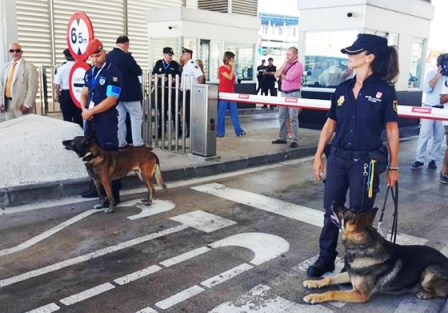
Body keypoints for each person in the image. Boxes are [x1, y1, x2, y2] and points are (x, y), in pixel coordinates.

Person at [307, 34, 400, 277]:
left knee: (360, 217)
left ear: (369, 57)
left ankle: (356, 264)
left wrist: (393, 167)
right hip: (337, 159)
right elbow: (330, 124)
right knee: (331, 211)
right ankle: (326, 258)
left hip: (365, 163)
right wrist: (318, 156)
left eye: (354, 53)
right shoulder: (343, 88)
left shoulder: (384, 92)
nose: (349, 56)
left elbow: (392, 130)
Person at [79, 38, 122, 206]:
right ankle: (95, 189)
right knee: (90, 154)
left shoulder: (113, 73)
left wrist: (91, 111)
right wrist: (84, 109)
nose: (95, 59)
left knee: (109, 155)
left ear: (104, 52)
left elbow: (111, 100)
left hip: (105, 119)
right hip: (90, 119)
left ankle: (114, 194)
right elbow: (84, 92)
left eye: (97, 55)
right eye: (92, 57)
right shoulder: (90, 72)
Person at [107, 35, 144, 149]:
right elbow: (138, 71)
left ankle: (120, 142)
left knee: (120, 118)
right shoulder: (126, 57)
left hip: (115, 93)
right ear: (126, 44)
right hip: (130, 94)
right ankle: (138, 142)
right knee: (136, 116)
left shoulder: (108, 56)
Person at [410, 54, 446, 170]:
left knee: (439, 136)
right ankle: (419, 159)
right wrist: (438, 76)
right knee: (424, 133)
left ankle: (432, 159)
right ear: (439, 64)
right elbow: (426, 89)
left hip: (443, 109)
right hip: (429, 108)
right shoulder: (430, 74)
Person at [272, 47, 303, 149]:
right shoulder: (287, 65)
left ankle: (295, 139)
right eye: (287, 54)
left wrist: (283, 75)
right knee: (282, 116)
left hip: (293, 94)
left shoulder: (299, 65)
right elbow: (276, 74)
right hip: (284, 94)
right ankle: (282, 137)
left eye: (289, 55)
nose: (287, 57)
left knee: (293, 118)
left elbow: (290, 77)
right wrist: (284, 64)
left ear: (295, 55)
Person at [0, 42, 38, 120]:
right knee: (11, 130)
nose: (15, 53)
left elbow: (33, 87)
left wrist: (27, 104)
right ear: (9, 52)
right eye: (12, 51)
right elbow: (2, 86)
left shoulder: (29, 67)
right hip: (7, 106)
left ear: (21, 52)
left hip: (21, 107)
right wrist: (1, 102)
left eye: (17, 51)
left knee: (24, 130)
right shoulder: (6, 67)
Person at [152, 47, 181, 138]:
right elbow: (153, 75)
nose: (170, 57)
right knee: (162, 112)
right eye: (169, 55)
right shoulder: (159, 63)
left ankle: (178, 132)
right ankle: (161, 132)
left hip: (172, 92)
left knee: (174, 112)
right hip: (161, 92)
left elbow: (179, 77)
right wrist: (160, 76)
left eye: (171, 55)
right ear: (164, 54)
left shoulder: (175, 64)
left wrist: (173, 80)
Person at [217, 51, 246, 137]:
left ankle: (238, 131)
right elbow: (229, 77)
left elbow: (234, 80)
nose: (234, 61)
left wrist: (233, 68)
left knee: (234, 113)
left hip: (231, 93)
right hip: (224, 93)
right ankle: (220, 132)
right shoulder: (221, 68)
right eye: (232, 59)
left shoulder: (232, 68)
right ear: (228, 59)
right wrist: (233, 67)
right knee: (221, 113)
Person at [54, 48, 82, 127]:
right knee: (78, 117)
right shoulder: (79, 66)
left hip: (66, 94)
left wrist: (57, 95)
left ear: (65, 56)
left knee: (67, 118)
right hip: (77, 93)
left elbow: (57, 85)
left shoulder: (61, 68)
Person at [179, 47, 205, 137]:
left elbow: (200, 77)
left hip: (190, 92)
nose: (182, 55)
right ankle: (188, 131)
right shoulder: (185, 66)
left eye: (184, 54)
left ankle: (191, 132)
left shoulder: (193, 64)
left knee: (190, 113)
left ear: (189, 55)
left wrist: (199, 91)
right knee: (185, 113)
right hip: (184, 92)